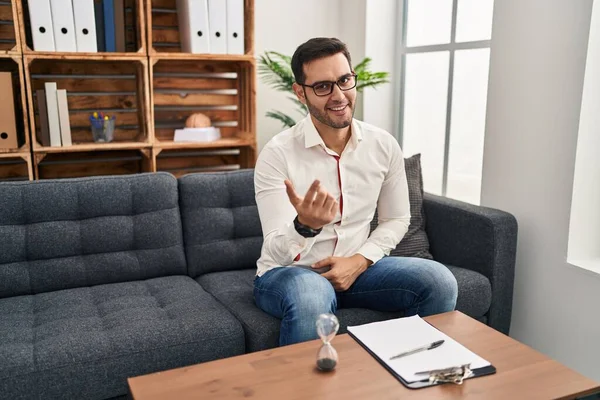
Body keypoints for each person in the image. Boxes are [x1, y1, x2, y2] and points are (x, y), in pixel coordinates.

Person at [254, 37, 458, 346]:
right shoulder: (277, 154)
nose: (338, 96)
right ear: (300, 93)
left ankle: (405, 378)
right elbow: (274, 252)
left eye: (345, 80)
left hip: (359, 271)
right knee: (312, 296)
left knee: (438, 281)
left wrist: (360, 260)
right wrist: (304, 226)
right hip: (292, 274)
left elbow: (396, 218)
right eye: (322, 87)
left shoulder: (383, 145)